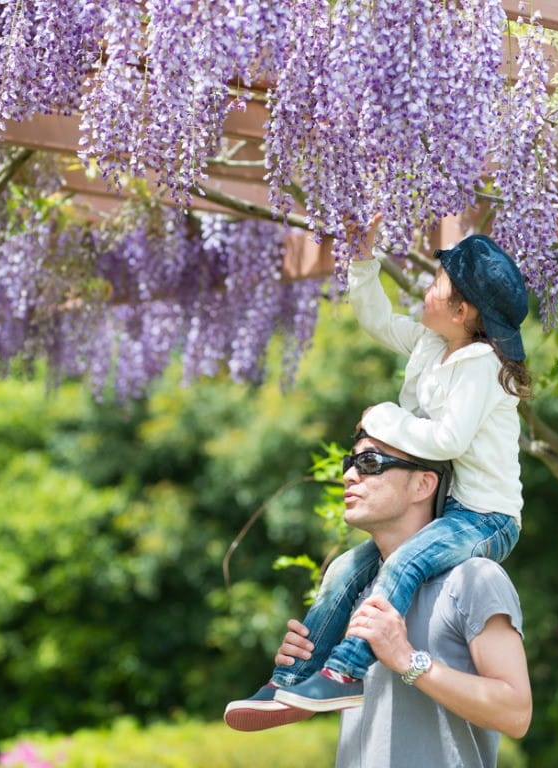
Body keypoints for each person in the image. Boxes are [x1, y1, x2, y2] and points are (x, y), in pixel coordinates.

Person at [225, 221, 532, 716]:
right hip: (445, 511)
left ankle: (344, 671)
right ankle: (294, 679)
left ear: (461, 310)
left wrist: (382, 417)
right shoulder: (436, 347)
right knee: (345, 570)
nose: (426, 290)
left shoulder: (479, 363)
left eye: (437, 285)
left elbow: (448, 438)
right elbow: (377, 320)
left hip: (485, 518)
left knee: (403, 563)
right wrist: (363, 260)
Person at [228, 430, 532, 767]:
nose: (348, 475)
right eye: (349, 463)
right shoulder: (354, 588)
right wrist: (299, 678)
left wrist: (407, 659)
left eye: (369, 462)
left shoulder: (474, 579)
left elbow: (516, 714)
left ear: (423, 485)